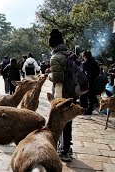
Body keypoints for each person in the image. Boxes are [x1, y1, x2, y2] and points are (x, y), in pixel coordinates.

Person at [48, 29, 75, 162]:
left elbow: (58, 77)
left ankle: (63, 151)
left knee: (59, 120)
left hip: (61, 93)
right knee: (68, 120)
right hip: (71, 91)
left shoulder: (55, 57)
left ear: (51, 44)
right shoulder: (69, 54)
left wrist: (49, 75)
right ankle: (67, 147)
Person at [81, 51, 100, 115]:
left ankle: (85, 109)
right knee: (91, 95)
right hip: (95, 81)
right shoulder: (95, 62)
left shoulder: (84, 63)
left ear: (85, 56)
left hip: (87, 81)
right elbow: (98, 72)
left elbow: (82, 73)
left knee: (84, 95)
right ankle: (89, 109)